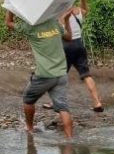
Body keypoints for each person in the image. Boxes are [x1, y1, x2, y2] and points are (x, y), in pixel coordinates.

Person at [5, 10, 75, 138]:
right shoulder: (54, 23)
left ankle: (30, 129)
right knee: (63, 108)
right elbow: (69, 37)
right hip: (61, 73)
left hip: (44, 75)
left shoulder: (31, 27)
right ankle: (70, 141)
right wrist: (66, 20)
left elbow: (9, 23)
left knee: (28, 100)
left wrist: (10, 9)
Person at [49, 0, 103, 112]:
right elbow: (86, 10)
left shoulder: (61, 13)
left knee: (60, 75)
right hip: (79, 45)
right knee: (86, 75)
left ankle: (55, 102)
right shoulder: (78, 11)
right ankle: (97, 102)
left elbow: (62, 29)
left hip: (66, 46)